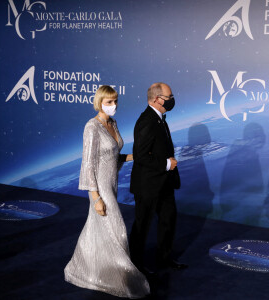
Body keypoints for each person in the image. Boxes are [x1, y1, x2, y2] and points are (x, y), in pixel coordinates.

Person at [64, 85, 150, 298]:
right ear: (99, 102)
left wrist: (134, 157)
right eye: (109, 102)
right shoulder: (92, 127)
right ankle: (122, 277)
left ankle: (85, 268)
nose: (114, 105)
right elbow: (88, 164)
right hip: (100, 187)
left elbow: (112, 156)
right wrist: (95, 198)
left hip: (112, 183)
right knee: (117, 229)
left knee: (98, 227)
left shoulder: (113, 123)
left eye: (115, 101)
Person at [129, 82, 187, 273]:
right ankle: (136, 267)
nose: (172, 100)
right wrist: (166, 164)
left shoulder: (160, 119)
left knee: (168, 220)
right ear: (157, 99)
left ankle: (164, 259)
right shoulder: (146, 120)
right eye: (169, 97)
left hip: (164, 182)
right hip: (147, 184)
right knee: (142, 226)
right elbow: (141, 155)